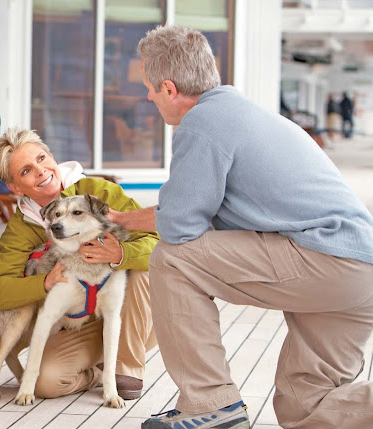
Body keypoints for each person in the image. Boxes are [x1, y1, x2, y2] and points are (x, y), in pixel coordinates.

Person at [127, 26, 373, 429]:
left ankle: (211, 405)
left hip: (327, 259)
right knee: (305, 407)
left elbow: (178, 228)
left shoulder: (203, 122)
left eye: (150, 89)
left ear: (169, 89)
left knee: (172, 260)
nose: (148, 97)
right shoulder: (244, 114)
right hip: (358, 272)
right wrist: (123, 220)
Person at [0, 127, 159, 401]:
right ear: (16, 187)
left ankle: (126, 372)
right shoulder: (22, 226)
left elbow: (157, 241)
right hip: (79, 324)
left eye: (42, 159)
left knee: (136, 271)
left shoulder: (98, 191)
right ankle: (99, 372)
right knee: (45, 383)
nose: (41, 171)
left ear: (52, 157)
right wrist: (45, 282)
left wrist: (120, 253)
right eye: (26, 171)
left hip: (133, 320)